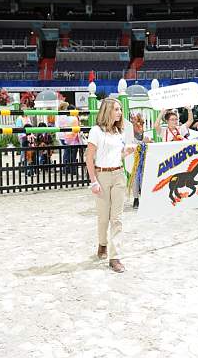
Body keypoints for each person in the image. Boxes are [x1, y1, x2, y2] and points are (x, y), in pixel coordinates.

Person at [85, 98, 136, 273]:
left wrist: (125, 152)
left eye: (120, 109)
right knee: (103, 218)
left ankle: (115, 257)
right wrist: (93, 181)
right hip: (101, 176)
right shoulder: (95, 131)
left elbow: (117, 154)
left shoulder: (119, 132)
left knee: (117, 218)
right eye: (116, 109)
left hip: (119, 175)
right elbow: (89, 158)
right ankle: (102, 244)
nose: (120, 112)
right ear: (107, 111)